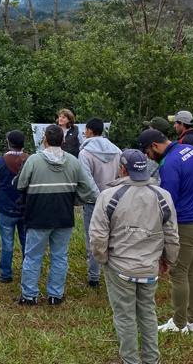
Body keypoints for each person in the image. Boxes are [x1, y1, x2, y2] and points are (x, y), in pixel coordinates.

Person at [90, 149, 180, 364]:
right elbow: (172, 234)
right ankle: (151, 359)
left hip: (119, 267)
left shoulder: (108, 196)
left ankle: (130, 360)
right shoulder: (162, 195)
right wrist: (168, 260)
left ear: (122, 169)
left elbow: (98, 236)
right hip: (150, 266)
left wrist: (103, 259)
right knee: (148, 312)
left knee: (125, 316)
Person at [139, 129, 193, 334]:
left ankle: (179, 323)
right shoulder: (191, 150)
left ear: (154, 145)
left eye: (147, 152)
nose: (148, 157)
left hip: (187, 225)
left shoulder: (169, 164)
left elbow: (167, 202)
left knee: (178, 273)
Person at [16, 124, 96, 306]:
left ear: (44, 139)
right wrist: (75, 200)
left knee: (33, 256)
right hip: (64, 215)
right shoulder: (73, 161)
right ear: (63, 140)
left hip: (38, 215)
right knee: (59, 256)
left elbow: (21, 184)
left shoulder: (34, 160)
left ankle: (29, 295)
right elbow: (89, 190)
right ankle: (55, 295)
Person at [78, 117, 121, 288]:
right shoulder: (117, 151)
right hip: (115, 200)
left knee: (94, 238)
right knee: (115, 237)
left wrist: (99, 197)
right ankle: (115, 273)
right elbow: (121, 175)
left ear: (89, 131)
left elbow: (86, 179)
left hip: (93, 202)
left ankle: (94, 277)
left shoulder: (85, 153)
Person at [0, 130, 30, 284]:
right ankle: (28, 272)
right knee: (26, 242)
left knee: (7, 243)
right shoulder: (30, 160)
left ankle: (6, 274)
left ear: (8, 142)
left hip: (6, 208)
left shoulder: (0, 161)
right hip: (25, 208)